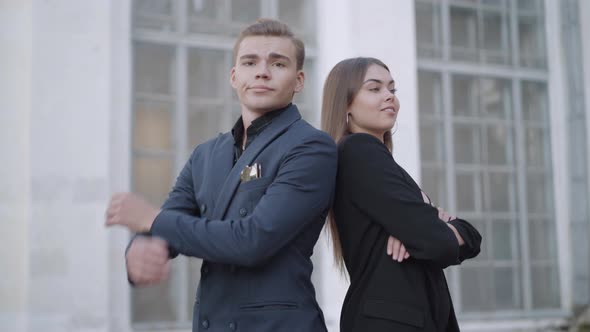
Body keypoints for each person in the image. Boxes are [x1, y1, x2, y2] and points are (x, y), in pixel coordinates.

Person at [105, 19, 336, 332]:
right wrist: (143, 246)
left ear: (299, 80)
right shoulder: (206, 154)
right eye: (250, 62)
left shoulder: (311, 147)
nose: (262, 71)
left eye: (278, 63)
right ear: (233, 76)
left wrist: (151, 221)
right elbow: (170, 220)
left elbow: (253, 240)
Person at [321, 57, 482, 332]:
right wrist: (430, 224)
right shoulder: (360, 151)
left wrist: (421, 227)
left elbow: (467, 238)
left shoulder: (371, 158)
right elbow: (438, 242)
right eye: (374, 89)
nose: (389, 97)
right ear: (346, 103)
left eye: (392, 90)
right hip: (393, 319)